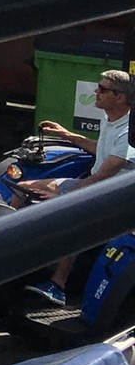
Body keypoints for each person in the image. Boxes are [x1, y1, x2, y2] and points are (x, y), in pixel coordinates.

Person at [26, 68, 133, 306]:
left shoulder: (129, 131)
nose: (96, 91)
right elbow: (99, 148)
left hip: (115, 197)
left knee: (75, 216)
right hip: (96, 186)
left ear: (120, 97)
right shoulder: (109, 118)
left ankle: (58, 285)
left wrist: (67, 195)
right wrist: (65, 134)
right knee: (24, 187)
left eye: (103, 89)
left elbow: (104, 175)